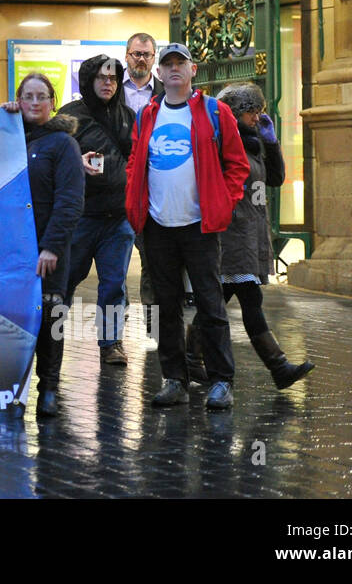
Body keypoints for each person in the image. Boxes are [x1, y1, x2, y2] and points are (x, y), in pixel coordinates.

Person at [125, 43, 250, 410]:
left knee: (211, 304)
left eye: (181, 63)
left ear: (192, 70)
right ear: (159, 74)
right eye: (168, 64)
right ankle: (175, 379)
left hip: (199, 226)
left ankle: (221, 380)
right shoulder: (148, 115)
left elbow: (237, 164)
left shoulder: (214, 111)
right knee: (166, 307)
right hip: (158, 225)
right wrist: (137, 207)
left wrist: (223, 203)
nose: (174, 69)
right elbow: (136, 162)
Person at [215, 82, 313, 389]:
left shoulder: (254, 139)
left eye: (260, 111)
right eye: (252, 112)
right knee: (248, 298)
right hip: (232, 231)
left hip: (252, 229)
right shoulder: (222, 141)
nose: (258, 118)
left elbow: (275, 178)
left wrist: (271, 144)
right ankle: (278, 367)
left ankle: (192, 357)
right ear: (236, 113)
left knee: (217, 301)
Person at [1, 73, 85, 418]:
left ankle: (48, 388)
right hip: (11, 249)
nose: (35, 103)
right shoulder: (6, 137)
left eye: (42, 97)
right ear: (18, 100)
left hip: (47, 250)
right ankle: (11, 388)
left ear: (52, 102)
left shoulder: (63, 144)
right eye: (27, 97)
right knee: (12, 319)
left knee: (51, 318)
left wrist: (51, 246)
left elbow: (70, 201)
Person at [57, 54, 136, 366]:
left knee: (114, 283)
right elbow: (51, 157)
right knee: (64, 281)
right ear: (89, 80)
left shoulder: (127, 116)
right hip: (80, 217)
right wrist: (76, 162)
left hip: (118, 218)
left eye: (114, 78)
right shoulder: (68, 117)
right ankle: (51, 338)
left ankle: (111, 342)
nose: (108, 83)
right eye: (102, 77)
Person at [122, 32, 165, 331]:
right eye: (136, 53)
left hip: (154, 186)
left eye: (146, 54)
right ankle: (113, 333)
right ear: (126, 55)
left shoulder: (166, 92)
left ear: (154, 58)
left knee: (154, 260)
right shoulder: (110, 88)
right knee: (115, 264)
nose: (141, 59)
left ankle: (156, 327)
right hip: (118, 186)